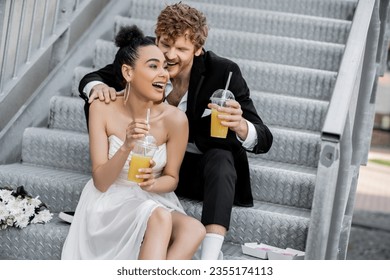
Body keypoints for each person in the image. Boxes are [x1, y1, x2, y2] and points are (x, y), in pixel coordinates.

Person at [77, 2, 273, 260]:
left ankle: (211, 257)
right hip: (150, 165)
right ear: (156, 38)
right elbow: (93, 77)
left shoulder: (223, 72)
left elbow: (264, 138)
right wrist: (96, 89)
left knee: (222, 156)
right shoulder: (145, 57)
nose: (169, 55)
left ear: (198, 49)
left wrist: (240, 125)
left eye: (181, 48)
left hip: (197, 171)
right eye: (165, 44)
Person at [61, 25, 205, 260]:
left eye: (165, 67)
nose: (164, 74)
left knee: (194, 229)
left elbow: (171, 178)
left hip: (151, 196)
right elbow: (101, 182)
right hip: (109, 199)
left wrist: (152, 184)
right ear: (128, 73)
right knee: (159, 217)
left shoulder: (176, 119)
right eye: (153, 66)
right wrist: (127, 144)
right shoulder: (102, 108)